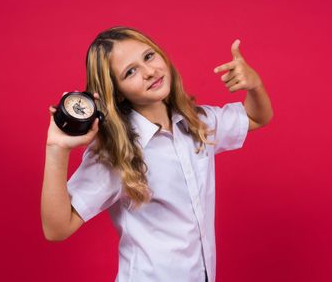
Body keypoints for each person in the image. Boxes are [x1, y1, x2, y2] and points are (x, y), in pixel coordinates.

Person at [41, 26, 273, 282]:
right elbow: (56, 229)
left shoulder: (197, 123)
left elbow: (256, 117)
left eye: (149, 56)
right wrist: (56, 149)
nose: (149, 72)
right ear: (117, 91)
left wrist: (255, 85)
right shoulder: (117, 152)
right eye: (130, 72)